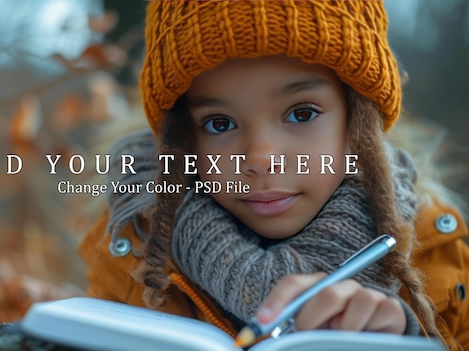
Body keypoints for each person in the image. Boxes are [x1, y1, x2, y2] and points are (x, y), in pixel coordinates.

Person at [78, 1, 469, 350]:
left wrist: (405, 343)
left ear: (358, 122)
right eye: (218, 123)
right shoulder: (135, 248)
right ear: (180, 139)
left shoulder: (433, 250)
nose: (261, 160)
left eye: (302, 114)